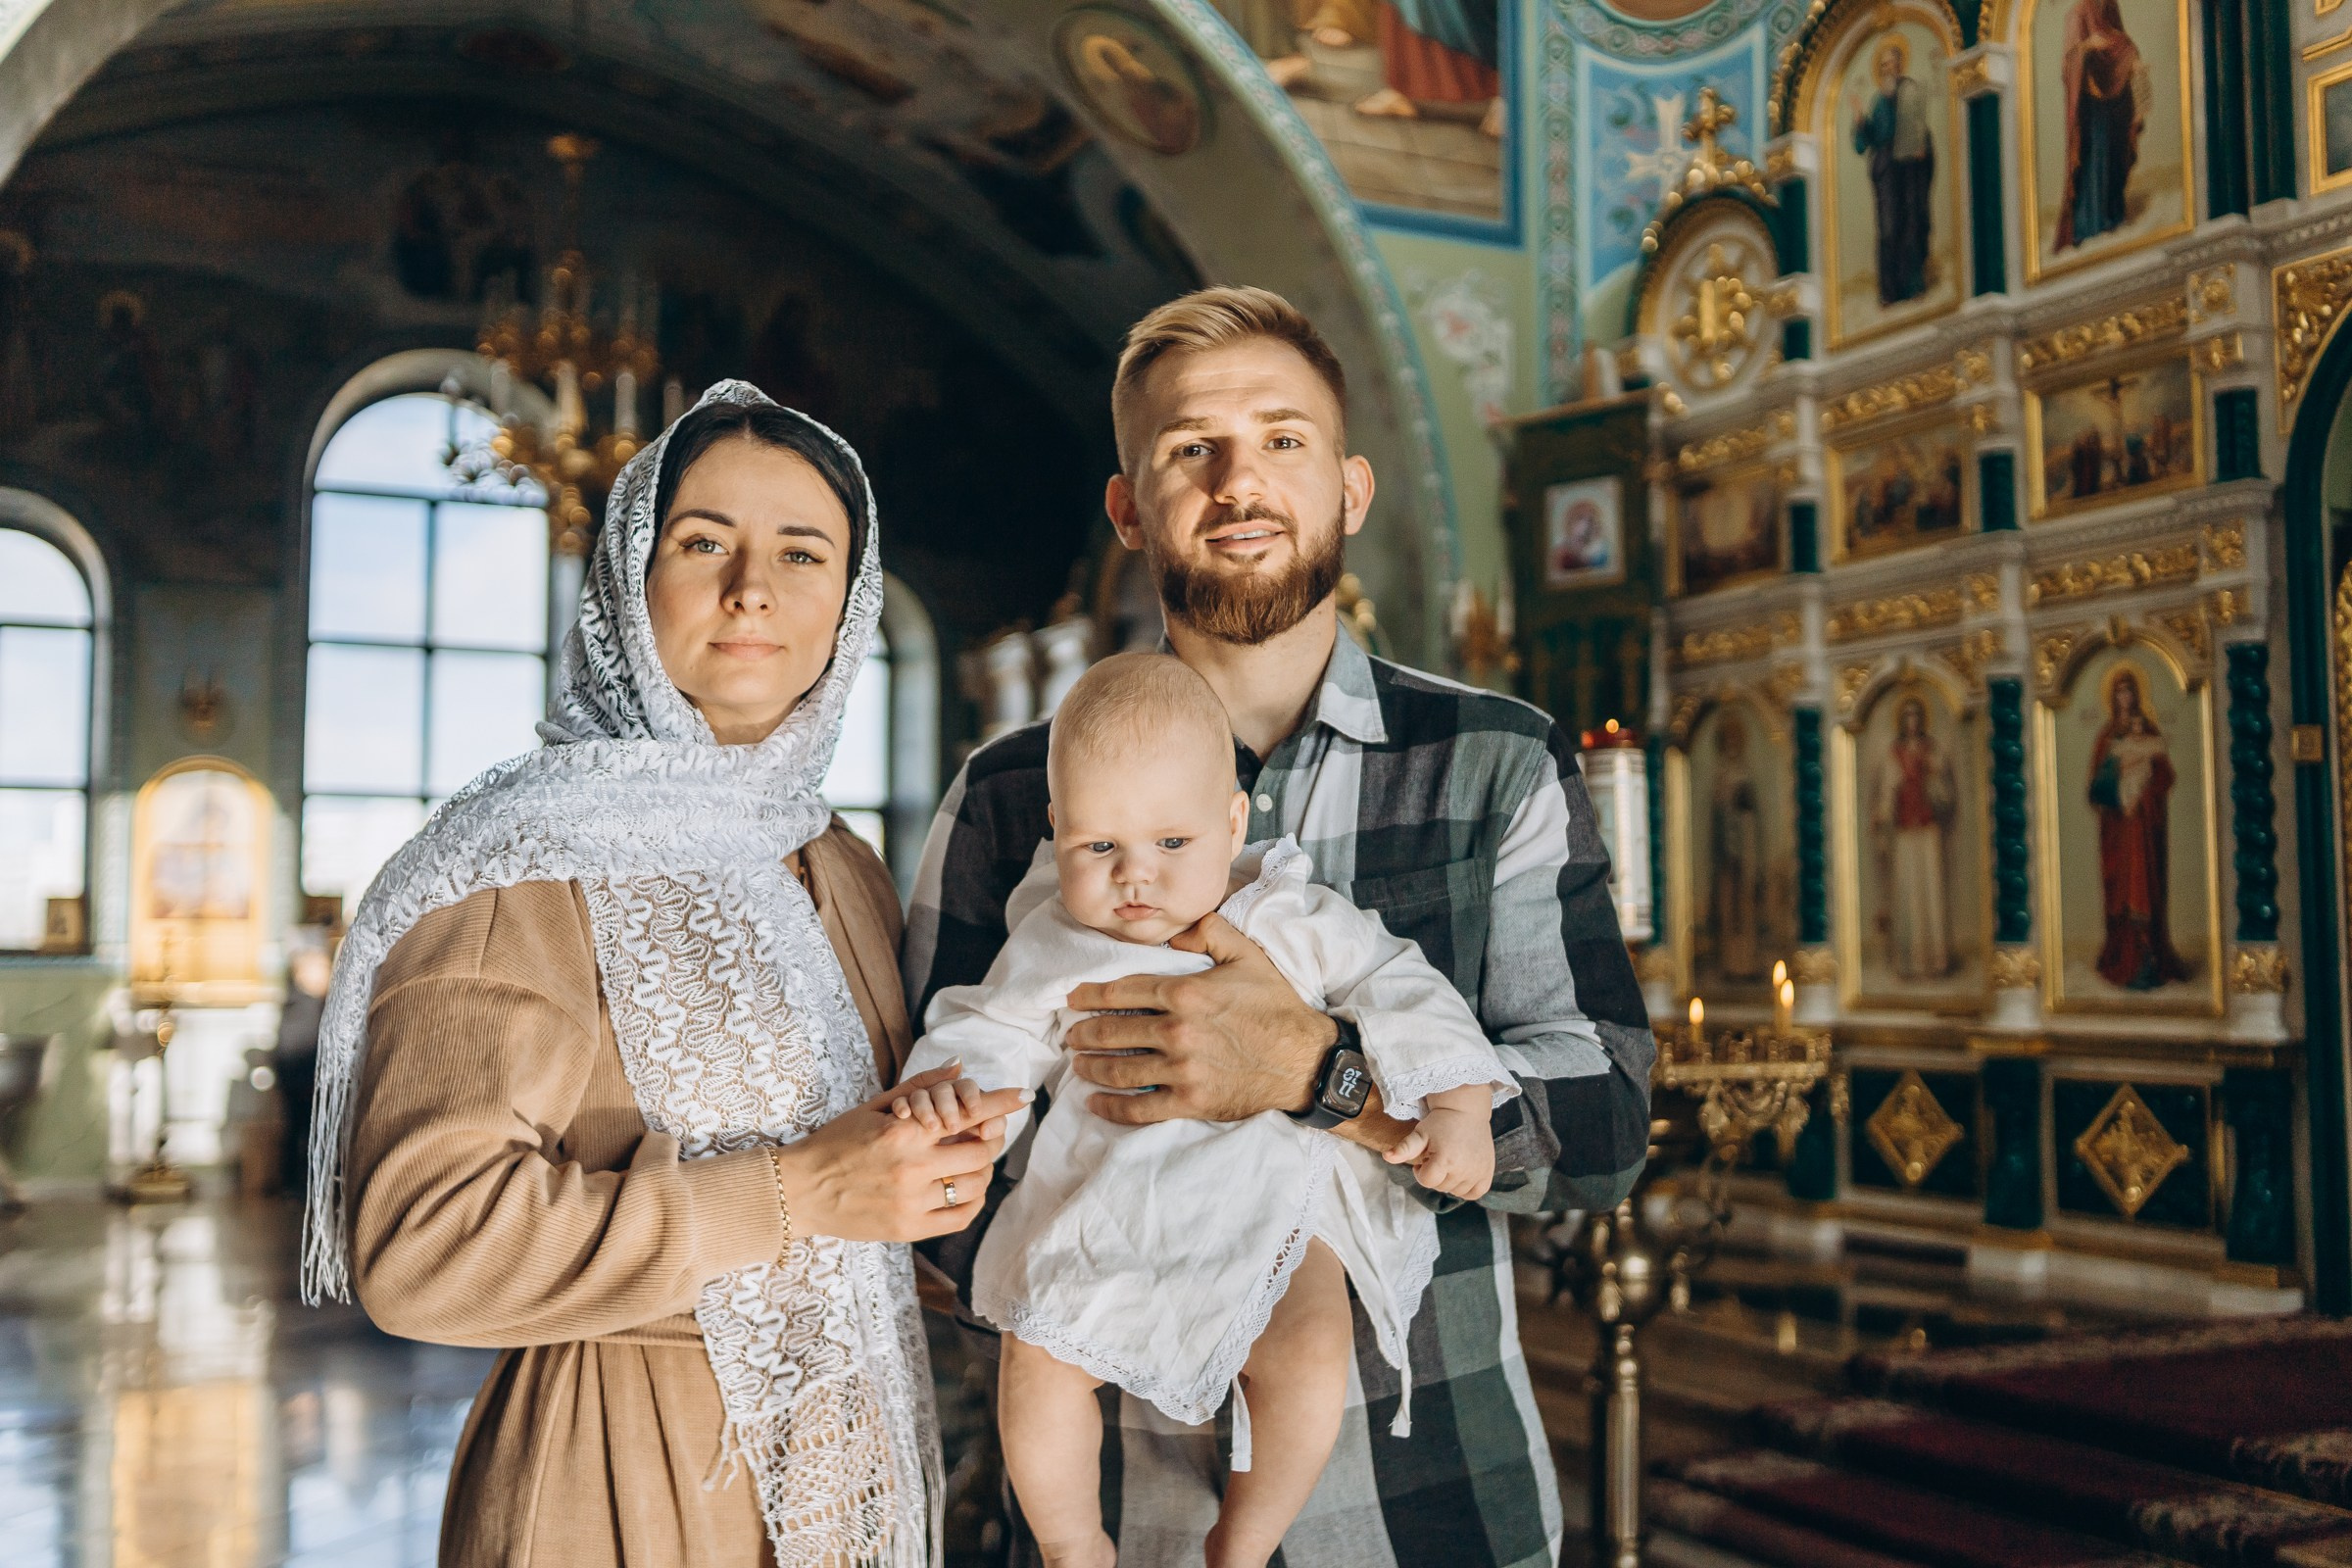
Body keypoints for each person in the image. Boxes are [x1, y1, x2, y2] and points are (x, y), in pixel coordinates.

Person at [905, 286, 1652, 1568]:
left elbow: (1607, 1126)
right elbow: (936, 1161)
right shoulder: (1010, 794)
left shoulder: (1492, 765)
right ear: (1130, 505)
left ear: (1352, 489)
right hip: (1110, 1512)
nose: (1240, 479)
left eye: (1284, 439)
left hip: (1426, 1510)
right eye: (1192, 447)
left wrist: (1322, 1078)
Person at [305, 383, 1022, 1568]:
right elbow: (423, 1248)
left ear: (850, 602)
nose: (754, 589)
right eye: (705, 543)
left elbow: (863, 1170)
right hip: (618, 1472)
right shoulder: (517, 864)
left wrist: (929, 1188)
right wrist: (791, 1195)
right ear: (629, 585)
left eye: (804, 552)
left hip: (850, 1464)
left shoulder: (840, 862)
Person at [899, 653, 1508, 1568]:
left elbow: (1401, 988)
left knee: (1309, 1349)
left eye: (1171, 845)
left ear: (1232, 822)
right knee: (1039, 1358)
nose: (1135, 878)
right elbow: (990, 1026)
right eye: (1099, 848)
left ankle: (1247, 1538)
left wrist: (1458, 1107)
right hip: (1102, 1206)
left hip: (1267, 1210)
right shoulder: (1056, 939)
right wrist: (960, 1097)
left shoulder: (1289, 914)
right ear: (1057, 830)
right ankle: (1073, 1547)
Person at [2089, 664, 2189, 990]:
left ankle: (2149, 955)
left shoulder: (2149, 731)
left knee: (2145, 887)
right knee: (2120, 890)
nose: (2124, 697)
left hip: (2143, 827)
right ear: (2112, 697)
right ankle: (2123, 955)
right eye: (2119, 691)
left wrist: (2144, 792)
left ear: (2136, 695)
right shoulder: (2106, 736)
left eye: (2129, 690)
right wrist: (2116, 788)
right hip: (2118, 828)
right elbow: (2096, 786)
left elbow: (2166, 775)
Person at [1872, 695, 1956, 979]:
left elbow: (1945, 794)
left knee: (1929, 890)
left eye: (1916, 715)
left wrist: (1932, 774)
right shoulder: (1893, 754)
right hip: (1904, 830)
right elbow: (1886, 792)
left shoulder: (1933, 751)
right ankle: (1908, 960)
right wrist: (1883, 814)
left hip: (1927, 828)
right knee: (1907, 892)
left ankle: (1935, 958)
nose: (1912, 721)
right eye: (1906, 716)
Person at [1849, 35, 1936, 307]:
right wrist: (1862, 121)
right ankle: (1890, 292)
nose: (1888, 69)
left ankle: (1914, 285)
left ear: (1900, 65)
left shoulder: (1910, 90)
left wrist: (1922, 146)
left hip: (1910, 167)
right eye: (1883, 65)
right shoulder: (1878, 101)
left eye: (1892, 63)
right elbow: (1867, 141)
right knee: (1888, 228)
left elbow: (1919, 128)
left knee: (1913, 221)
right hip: (1887, 170)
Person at [2055, 0, 2143, 251]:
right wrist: (2087, 47)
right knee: (2095, 158)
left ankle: (2113, 215)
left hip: (2117, 101)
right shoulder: (2076, 15)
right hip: (2090, 104)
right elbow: (2069, 61)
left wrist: (2130, 54)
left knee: (2115, 155)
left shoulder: (2108, 8)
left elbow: (2122, 41)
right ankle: (2089, 222)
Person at [271, 927, 332, 1198]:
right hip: (303, 1080)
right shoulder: (300, 1006)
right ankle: (298, 1185)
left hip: (311, 1078)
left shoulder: (318, 1003)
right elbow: (294, 1049)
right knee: (301, 1133)